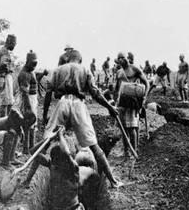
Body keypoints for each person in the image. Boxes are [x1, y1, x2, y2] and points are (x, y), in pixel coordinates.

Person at [26, 50, 122, 188]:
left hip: (62, 103)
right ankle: (113, 181)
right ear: (80, 60)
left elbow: (48, 94)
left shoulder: (58, 70)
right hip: (78, 105)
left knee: (45, 142)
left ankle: (27, 180)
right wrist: (109, 107)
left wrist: (45, 115)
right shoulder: (85, 69)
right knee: (93, 145)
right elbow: (96, 93)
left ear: (67, 59)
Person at [29, 129, 88, 210]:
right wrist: (48, 140)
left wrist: (60, 135)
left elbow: (67, 154)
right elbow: (33, 153)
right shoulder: (53, 166)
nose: (55, 163)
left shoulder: (73, 169)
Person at [114, 52, 148, 160]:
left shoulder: (135, 69)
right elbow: (116, 88)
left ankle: (134, 150)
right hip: (121, 103)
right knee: (123, 128)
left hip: (132, 102)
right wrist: (115, 102)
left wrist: (143, 98)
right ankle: (126, 152)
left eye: (122, 58)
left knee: (132, 128)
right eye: (119, 59)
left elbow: (146, 83)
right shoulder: (119, 72)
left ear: (127, 59)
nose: (121, 60)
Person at [17, 50, 39, 155]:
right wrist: (28, 107)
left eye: (36, 64)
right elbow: (25, 92)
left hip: (33, 99)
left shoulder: (31, 71)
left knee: (33, 124)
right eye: (33, 63)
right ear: (27, 61)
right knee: (27, 123)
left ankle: (31, 147)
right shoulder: (24, 74)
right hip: (28, 100)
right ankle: (26, 149)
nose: (34, 66)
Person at [0, 34, 17, 117]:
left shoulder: (2, 50)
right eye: (14, 43)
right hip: (4, 77)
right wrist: (8, 71)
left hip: (3, 77)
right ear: (10, 42)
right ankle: (4, 123)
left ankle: (6, 121)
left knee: (8, 101)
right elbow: (3, 65)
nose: (14, 46)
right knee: (6, 102)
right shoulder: (4, 52)